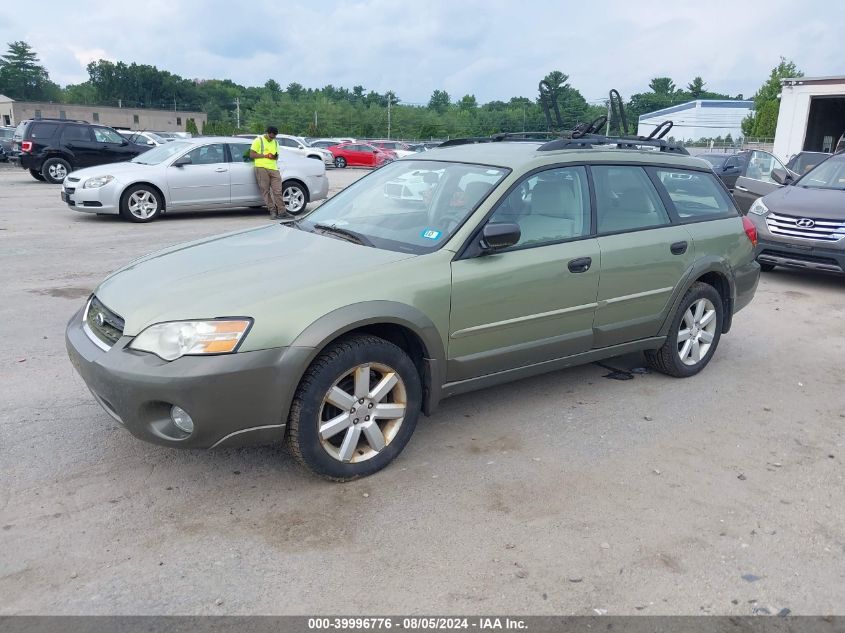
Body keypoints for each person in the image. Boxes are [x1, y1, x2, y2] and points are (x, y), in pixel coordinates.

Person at [250, 126, 291, 220]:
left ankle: (282, 212)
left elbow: (276, 157)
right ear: (267, 133)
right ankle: (272, 211)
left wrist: (273, 157)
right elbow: (252, 155)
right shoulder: (258, 140)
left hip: (274, 168)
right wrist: (265, 155)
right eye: (271, 136)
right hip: (261, 168)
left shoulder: (275, 142)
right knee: (265, 190)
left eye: (274, 136)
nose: (272, 138)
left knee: (277, 190)